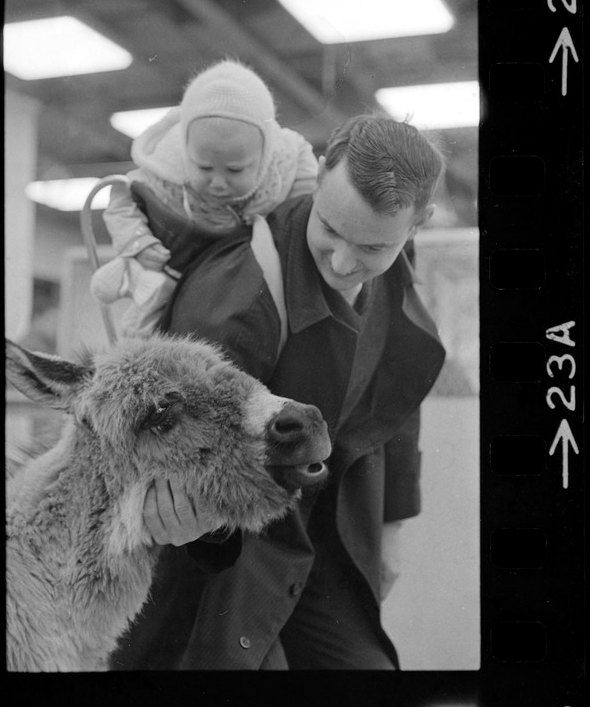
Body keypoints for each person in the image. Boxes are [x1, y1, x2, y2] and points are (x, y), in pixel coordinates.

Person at [111, 113, 447, 670]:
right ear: (318, 175)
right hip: (232, 553)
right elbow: (182, 448)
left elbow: (396, 398)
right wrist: (182, 511)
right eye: (330, 230)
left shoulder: (395, 257)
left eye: (371, 248)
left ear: (418, 224)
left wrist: (393, 528)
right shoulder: (239, 295)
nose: (344, 262)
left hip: (333, 541)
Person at [89, 58, 318, 333]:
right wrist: (137, 242)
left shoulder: (285, 162)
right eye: (204, 167)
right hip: (174, 280)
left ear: (265, 154)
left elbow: (306, 193)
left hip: (247, 290)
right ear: (186, 149)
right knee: (143, 332)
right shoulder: (165, 167)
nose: (218, 183)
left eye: (235, 169)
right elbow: (121, 198)